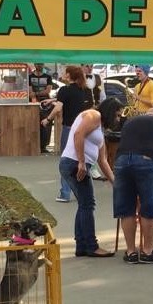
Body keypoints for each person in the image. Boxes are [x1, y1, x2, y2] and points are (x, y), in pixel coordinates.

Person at [113, 107, 153, 264]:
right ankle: (148, 251)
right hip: (146, 161)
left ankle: (130, 252)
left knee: (126, 209)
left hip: (121, 162)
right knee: (148, 207)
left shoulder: (130, 122)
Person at [59, 101, 116, 258]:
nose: (118, 118)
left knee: (84, 204)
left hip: (74, 163)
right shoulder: (93, 115)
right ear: (111, 111)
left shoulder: (99, 129)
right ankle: (92, 246)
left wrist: (114, 182)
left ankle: (81, 246)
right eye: (117, 114)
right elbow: (78, 134)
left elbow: (103, 160)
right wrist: (82, 161)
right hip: (74, 163)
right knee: (88, 204)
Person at [51, 66, 92, 202]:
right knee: (82, 159)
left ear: (69, 75)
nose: (62, 74)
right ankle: (83, 192)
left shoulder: (64, 90)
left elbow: (58, 108)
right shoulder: (85, 90)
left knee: (66, 159)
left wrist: (47, 119)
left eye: (64, 72)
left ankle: (65, 193)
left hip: (69, 129)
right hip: (85, 129)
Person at [29, 62, 54, 153]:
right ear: (35, 65)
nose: (40, 66)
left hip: (46, 103)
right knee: (34, 124)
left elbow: (48, 90)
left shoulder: (48, 77)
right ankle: (35, 145)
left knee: (46, 124)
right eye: (38, 64)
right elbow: (30, 92)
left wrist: (35, 93)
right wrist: (35, 95)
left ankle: (44, 146)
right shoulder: (29, 76)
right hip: (32, 103)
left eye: (41, 64)